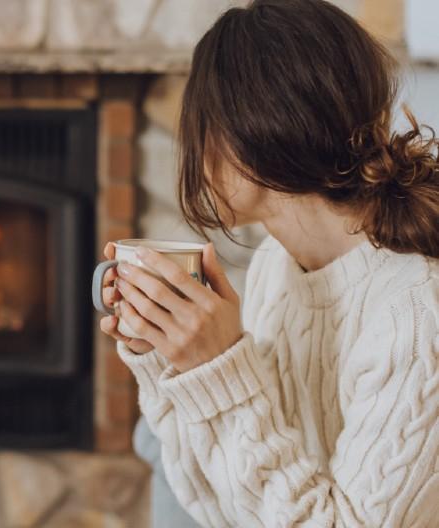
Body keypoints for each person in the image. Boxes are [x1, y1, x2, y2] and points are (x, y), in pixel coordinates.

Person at [97, 0, 439, 525]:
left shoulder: (416, 317)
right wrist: (168, 358)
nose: (194, 151)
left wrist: (218, 370)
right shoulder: (276, 268)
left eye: (202, 128)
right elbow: (219, 506)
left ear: (254, 131)